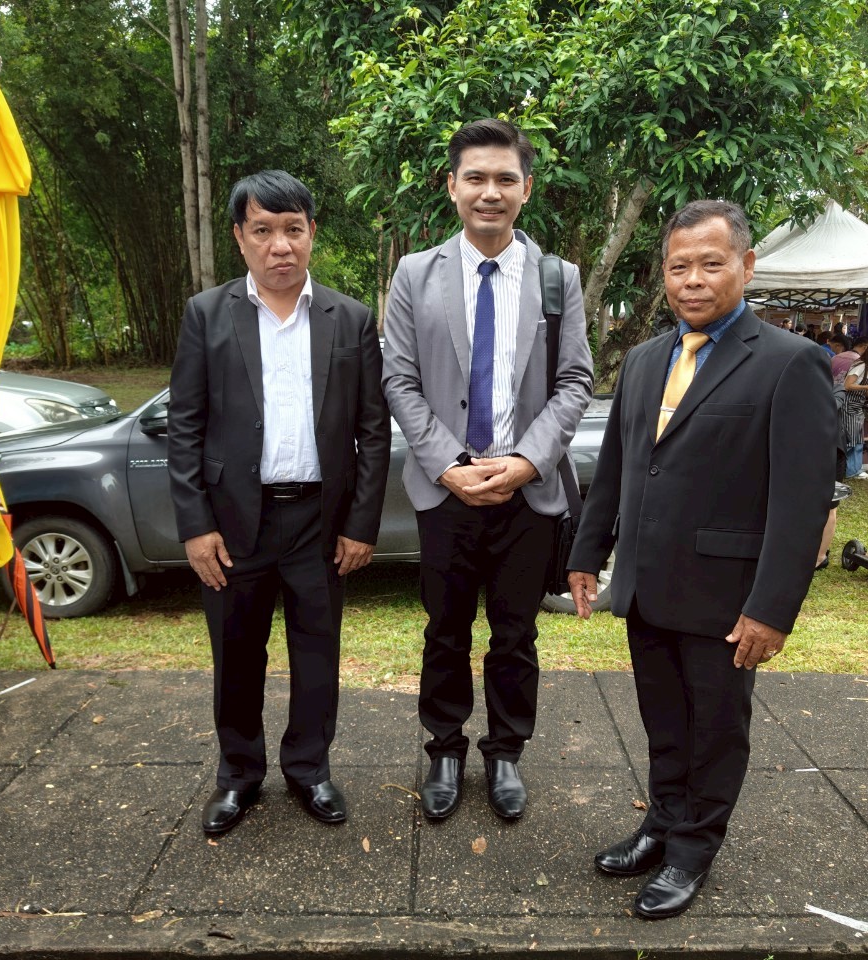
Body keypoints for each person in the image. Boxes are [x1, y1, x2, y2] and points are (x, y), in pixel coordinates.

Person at [568, 200, 834, 920]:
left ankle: (692, 850)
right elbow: (619, 466)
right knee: (664, 721)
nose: (693, 280)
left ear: (745, 266)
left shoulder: (789, 362)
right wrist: (589, 552)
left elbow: (801, 500)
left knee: (715, 729)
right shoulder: (646, 359)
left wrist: (772, 609)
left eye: (711, 264)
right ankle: (662, 823)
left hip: (726, 595)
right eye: (678, 266)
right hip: (648, 584)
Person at [382, 119, 594, 823]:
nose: (490, 192)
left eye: (506, 179)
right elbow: (400, 381)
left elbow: (575, 381)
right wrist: (448, 465)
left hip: (524, 494)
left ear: (526, 189)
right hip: (445, 492)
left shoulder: (558, 279)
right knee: (444, 631)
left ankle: (506, 752)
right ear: (452, 186)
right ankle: (444, 749)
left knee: (515, 634)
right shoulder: (415, 274)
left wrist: (527, 460)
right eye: (475, 177)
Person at [168, 170, 391, 837]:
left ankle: (309, 768)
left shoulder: (350, 319)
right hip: (235, 522)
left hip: (318, 521)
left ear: (312, 233)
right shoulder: (207, 314)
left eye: (293, 229)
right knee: (237, 655)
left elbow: (373, 431)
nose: (280, 245)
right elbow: (185, 426)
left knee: (317, 653)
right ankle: (239, 774)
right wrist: (196, 525)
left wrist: (360, 524)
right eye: (263, 230)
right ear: (240, 238)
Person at [841, 338, 868, 479]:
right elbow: (848, 385)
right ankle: (850, 470)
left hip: (856, 406)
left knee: (857, 439)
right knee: (852, 440)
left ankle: (854, 469)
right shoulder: (861, 365)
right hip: (849, 406)